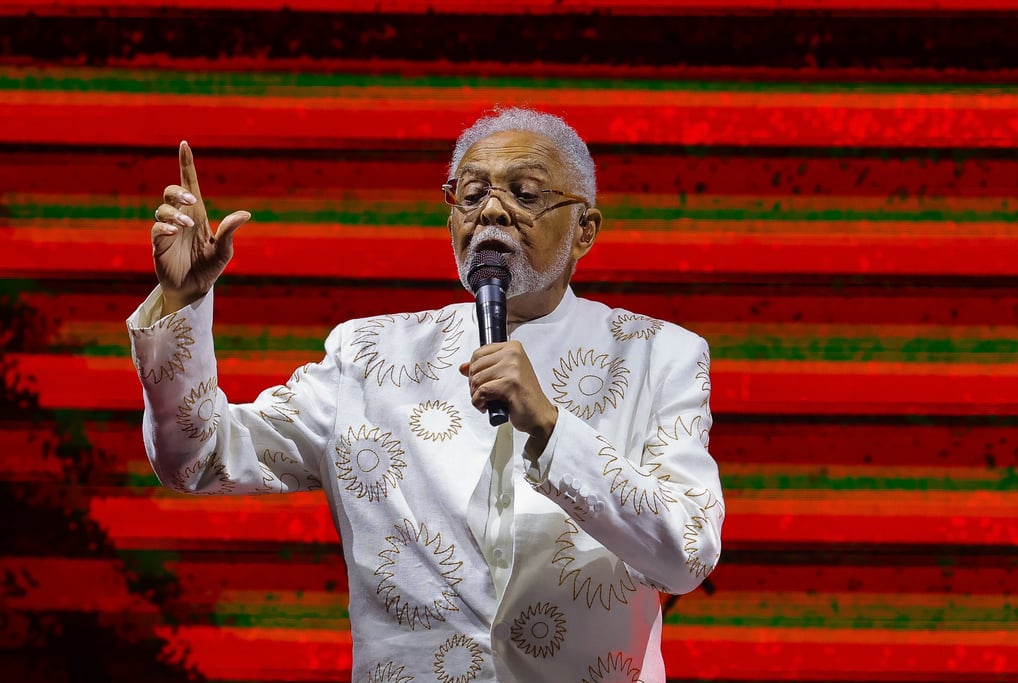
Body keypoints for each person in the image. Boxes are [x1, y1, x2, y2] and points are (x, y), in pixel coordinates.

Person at [128, 107, 724, 682]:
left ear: (584, 230)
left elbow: (686, 555)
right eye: (471, 195)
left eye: (525, 192)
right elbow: (199, 458)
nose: (492, 210)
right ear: (452, 221)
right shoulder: (369, 356)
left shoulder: (656, 357)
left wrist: (551, 428)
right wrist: (183, 303)